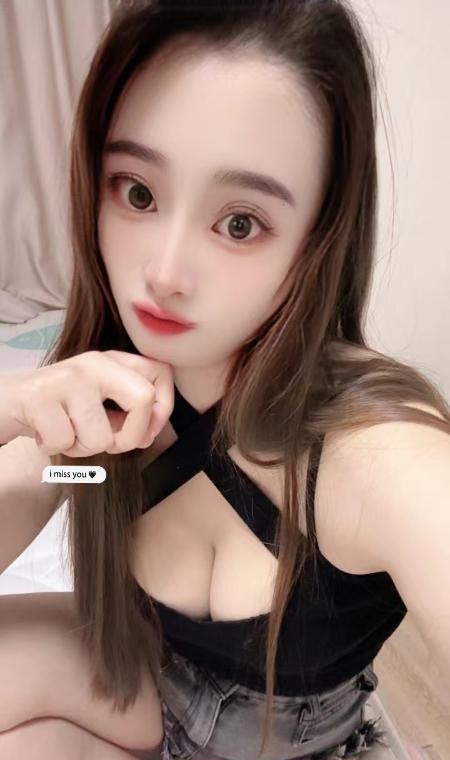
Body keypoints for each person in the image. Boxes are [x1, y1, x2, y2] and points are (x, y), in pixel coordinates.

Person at [0, 0, 449, 758]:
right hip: (145, 688)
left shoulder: (370, 456)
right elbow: (45, 472)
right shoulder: (104, 404)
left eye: (239, 223)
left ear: (320, 234)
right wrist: (13, 409)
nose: (164, 273)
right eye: (137, 192)